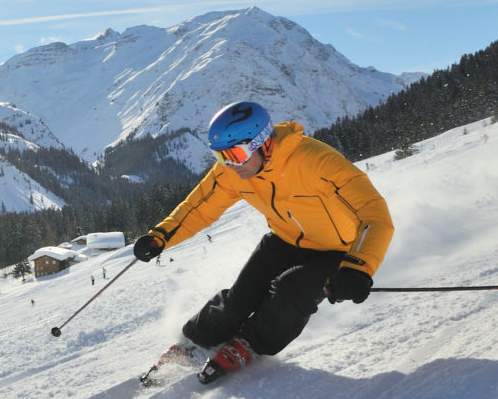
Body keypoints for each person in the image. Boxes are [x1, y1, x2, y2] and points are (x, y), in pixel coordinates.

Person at [133, 101, 393, 384]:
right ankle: (198, 341)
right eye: (220, 156)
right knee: (241, 297)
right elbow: (199, 207)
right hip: (283, 239)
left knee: (290, 293)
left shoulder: (316, 162)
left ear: (263, 143)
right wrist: (161, 236)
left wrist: (358, 267)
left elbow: (373, 213)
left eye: (235, 154)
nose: (229, 164)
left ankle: (252, 343)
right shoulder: (233, 171)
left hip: (336, 249)